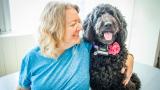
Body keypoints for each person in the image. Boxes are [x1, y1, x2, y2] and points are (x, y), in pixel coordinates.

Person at [17, 1, 134, 90]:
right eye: (73, 24)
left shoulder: (85, 47)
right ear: (54, 28)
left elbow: (114, 49)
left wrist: (130, 58)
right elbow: (22, 88)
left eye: (79, 22)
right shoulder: (31, 58)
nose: (80, 27)